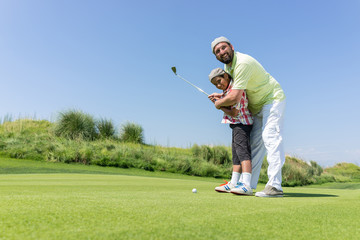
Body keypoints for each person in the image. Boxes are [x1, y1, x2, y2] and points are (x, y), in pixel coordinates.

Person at [209, 36, 286, 197]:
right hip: (255, 106)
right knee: (255, 145)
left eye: (223, 48)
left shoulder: (242, 63)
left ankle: (275, 186)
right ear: (216, 56)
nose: (222, 52)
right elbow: (232, 89)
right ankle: (247, 185)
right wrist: (222, 95)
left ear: (231, 46)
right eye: (217, 51)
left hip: (271, 99)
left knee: (270, 136)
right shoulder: (227, 67)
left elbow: (236, 97)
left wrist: (219, 104)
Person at [208, 68, 254, 196]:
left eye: (219, 81)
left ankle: (246, 185)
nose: (218, 85)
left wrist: (219, 105)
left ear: (226, 76)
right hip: (236, 125)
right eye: (215, 84)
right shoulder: (228, 91)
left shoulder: (235, 89)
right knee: (236, 155)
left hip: (242, 124)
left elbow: (234, 113)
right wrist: (219, 98)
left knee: (243, 153)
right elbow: (226, 97)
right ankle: (233, 183)